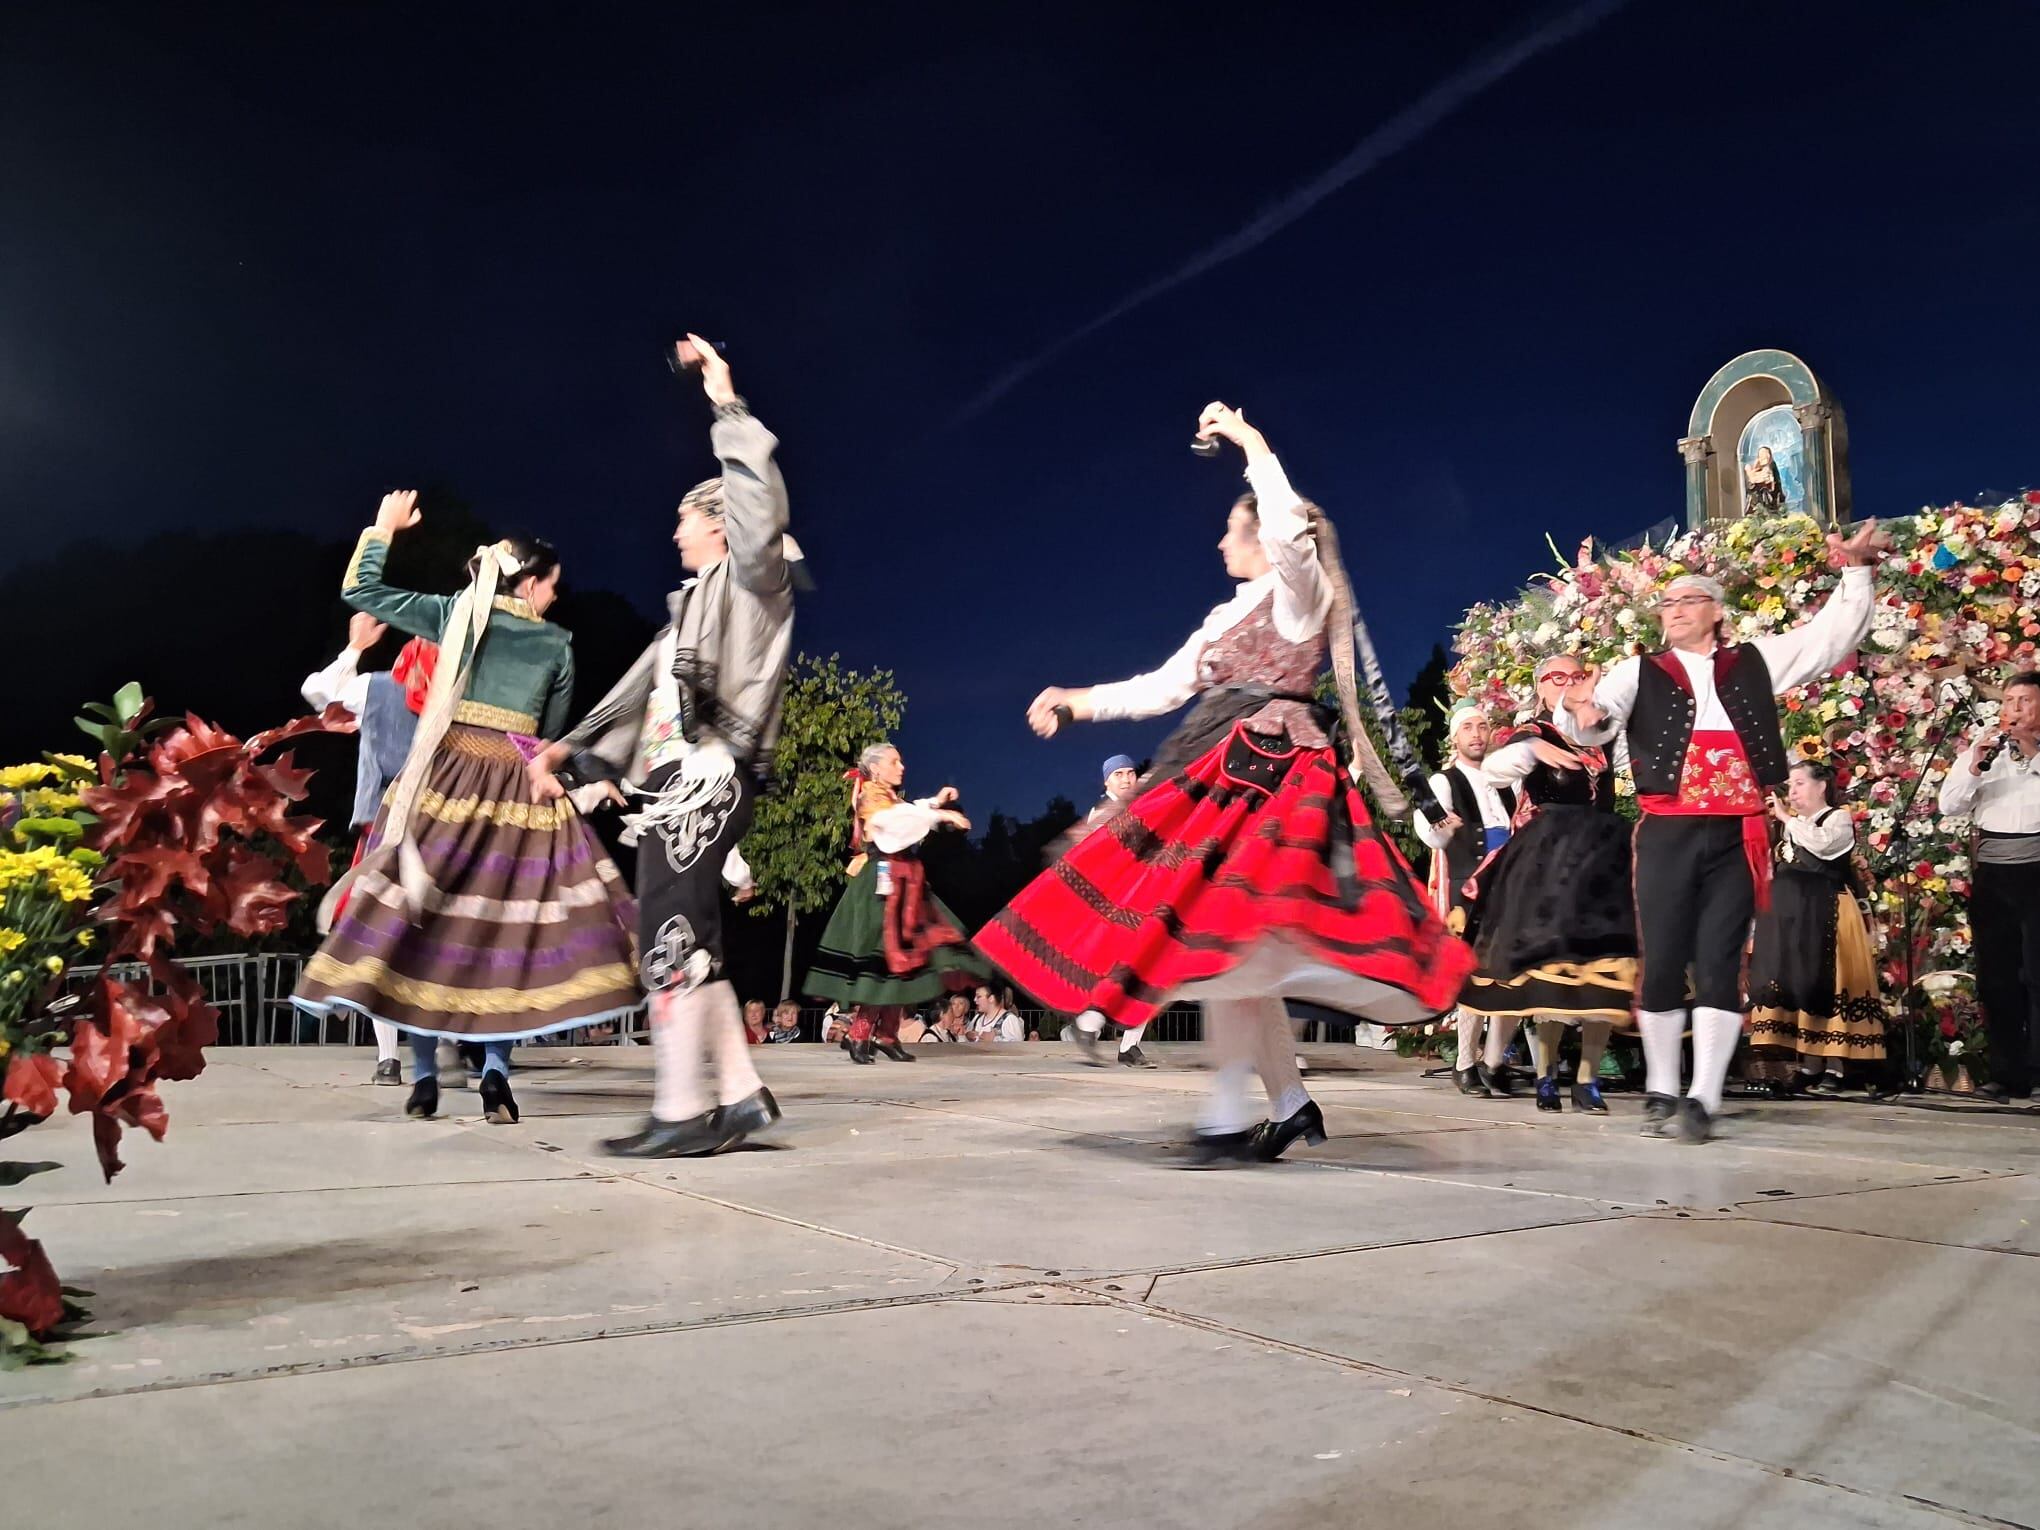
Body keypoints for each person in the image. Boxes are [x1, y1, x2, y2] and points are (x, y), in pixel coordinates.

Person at [978, 401, 1473, 1164]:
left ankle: (1221, 1118)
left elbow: (1290, 529)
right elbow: (1159, 687)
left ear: (1262, 538)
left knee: (1228, 945)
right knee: (1238, 953)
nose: (1219, 542)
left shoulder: (1300, 596)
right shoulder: (1222, 618)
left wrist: (1248, 440)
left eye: (1230, 530)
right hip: (1216, 768)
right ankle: (1288, 1104)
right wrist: (1075, 702)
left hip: (1273, 782)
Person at [533, 335, 799, 1158]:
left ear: (718, 524)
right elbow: (630, 698)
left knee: (670, 933)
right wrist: (564, 753)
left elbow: (760, 510)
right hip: (677, 784)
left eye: (684, 521)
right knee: (694, 938)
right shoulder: (686, 616)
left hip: (709, 776)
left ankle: (682, 1112)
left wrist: (724, 398)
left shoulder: (751, 585)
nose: (674, 534)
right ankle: (741, 1096)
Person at [295, 499, 641, 1127]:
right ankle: (495, 1074)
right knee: (502, 934)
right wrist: (582, 779)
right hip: (515, 796)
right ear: (529, 583)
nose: (555, 597)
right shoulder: (557, 644)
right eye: (552, 586)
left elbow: (360, 591)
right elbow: (546, 738)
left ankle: (425, 1078)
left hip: (444, 783)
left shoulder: (455, 614)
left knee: (426, 927)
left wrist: (383, 529)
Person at [1559, 522, 1885, 1140]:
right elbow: (1595, 722)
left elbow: (1828, 637)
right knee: (1661, 960)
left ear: (1717, 611)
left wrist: (1857, 571)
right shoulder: (1637, 671)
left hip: (1738, 832)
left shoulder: (1754, 661)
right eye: (1667, 602)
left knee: (1719, 960)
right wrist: (1581, 712)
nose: (1675, 609)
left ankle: (1703, 1097)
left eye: (1689, 599)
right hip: (1668, 831)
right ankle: (1662, 1088)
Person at [1460, 657, 1636, 1113]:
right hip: (1548, 864)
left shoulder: (1604, 733)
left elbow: (1637, 763)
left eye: (1576, 676)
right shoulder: (1532, 733)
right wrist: (1533, 750)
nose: (1568, 683)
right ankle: (1545, 1075)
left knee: (1606, 966)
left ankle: (1588, 1079)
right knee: (1548, 971)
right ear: (1540, 688)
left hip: (1602, 861)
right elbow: (1496, 770)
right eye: (1557, 678)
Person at [300, 611, 439, 1085]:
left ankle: (390, 1057)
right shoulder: (460, 701)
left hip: (387, 828)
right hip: (439, 826)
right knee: (436, 935)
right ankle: (443, 1050)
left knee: (379, 933)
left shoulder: (377, 690)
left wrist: (355, 648)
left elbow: (318, 691)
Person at [801, 742, 989, 1064]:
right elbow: (894, 823)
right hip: (882, 886)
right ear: (876, 768)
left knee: (907, 960)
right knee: (886, 959)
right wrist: (939, 813)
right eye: (894, 762)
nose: (901, 767)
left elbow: (907, 812)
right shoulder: (870, 795)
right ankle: (860, 1032)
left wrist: (935, 803)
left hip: (904, 883)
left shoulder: (888, 798)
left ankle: (886, 1034)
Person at [1746, 760, 1885, 1094]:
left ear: (1821, 786)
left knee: (1829, 982)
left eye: (1800, 783)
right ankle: (1809, 1064)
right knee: (1801, 982)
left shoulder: (1836, 818)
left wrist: (1786, 818)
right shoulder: (1790, 826)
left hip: (1828, 912)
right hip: (1794, 916)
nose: (1792, 791)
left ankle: (1836, 1066)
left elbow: (1822, 846)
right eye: (1790, 785)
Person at [1936, 671, 2040, 1101]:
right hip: (1994, 873)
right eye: (2009, 701)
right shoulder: (1984, 749)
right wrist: (1975, 766)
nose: (2014, 709)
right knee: (1997, 978)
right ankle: (2006, 1074)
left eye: (2024, 701)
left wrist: (2031, 751)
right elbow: (1949, 804)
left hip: (2037, 868)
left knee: (2037, 975)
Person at [1414, 703, 1518, 1095]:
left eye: (1482, 726)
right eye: (1468, 728)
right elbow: (1428, 828)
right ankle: (1464, 1063)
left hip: (1509, 883)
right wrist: (1441, 825)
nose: (1476, 734)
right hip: (1470, 888)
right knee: (1472, 975)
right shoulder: (1445, 781)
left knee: (1512, 973)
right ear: (1455, 737)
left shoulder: (1505, 782)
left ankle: (1494, 1061)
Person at [1067, 754, 1158, 1067]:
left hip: (1141, 903)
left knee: (1149, 973)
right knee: (1121, 974)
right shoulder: (1103, 813)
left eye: (1130, 772)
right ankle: (1089, 1025)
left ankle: (1125, 1043)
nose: (1127, 778)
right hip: (1115, 908)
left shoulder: (1140, 806)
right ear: (1106, 781)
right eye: (1119, 774)